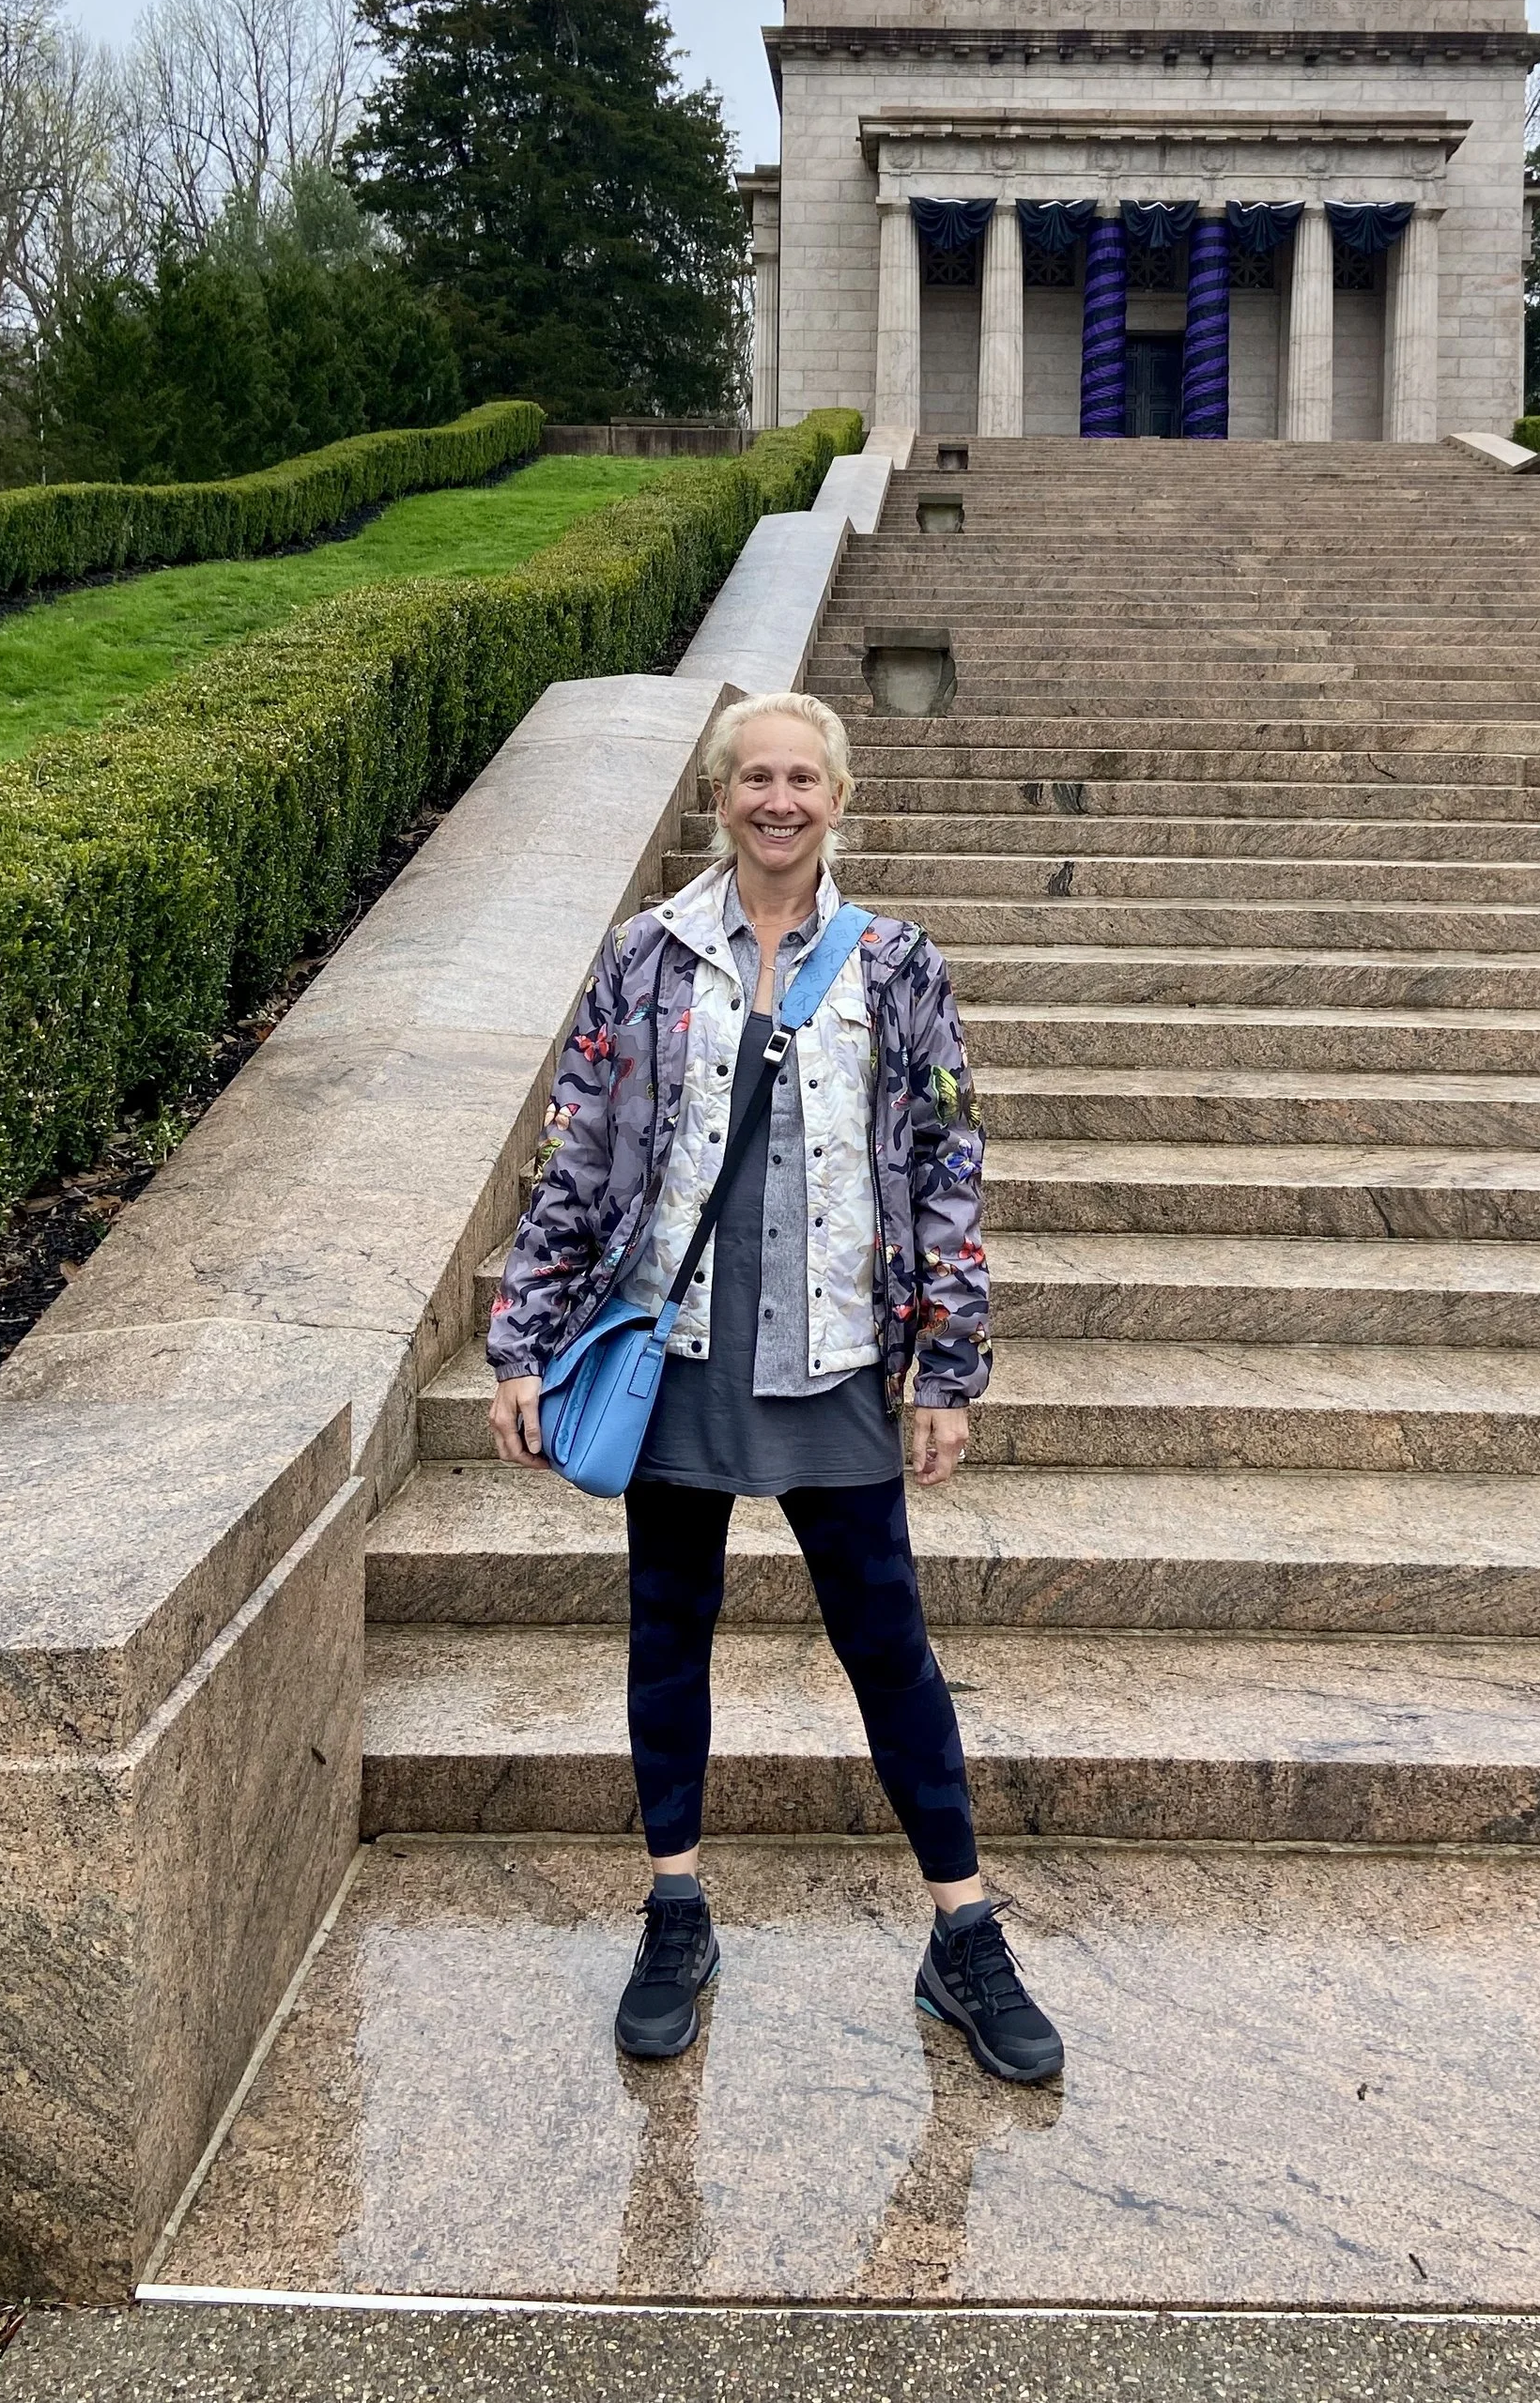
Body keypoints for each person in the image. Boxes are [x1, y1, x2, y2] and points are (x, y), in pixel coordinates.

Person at [485, 687, 1062, 2087]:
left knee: (888, 1646)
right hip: (674, 1349)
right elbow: (578, 1155)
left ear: (839, 798)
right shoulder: (645, 958)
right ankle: (675, 1908)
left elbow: (946, 1167)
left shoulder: (897, 963)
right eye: (755, 777)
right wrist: (522, 1333)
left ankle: (962, 1932)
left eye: (803, 777)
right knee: (667, 1630)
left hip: (837, 1358)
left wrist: (951, 1365)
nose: (779, 799)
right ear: (720, 795)